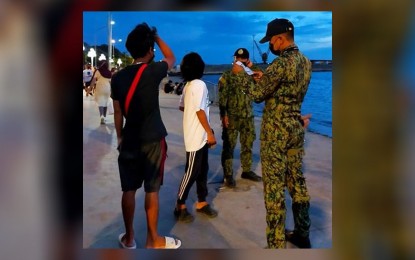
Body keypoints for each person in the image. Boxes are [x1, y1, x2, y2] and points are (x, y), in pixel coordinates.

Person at [239, 18, 312, 248]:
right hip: (295, 129)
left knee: (274, 190)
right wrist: (262, 76)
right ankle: (303, 232)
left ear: (280, 39)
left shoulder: (281, 64)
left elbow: (257, 95)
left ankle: (276, 245)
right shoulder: (306, 62)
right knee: (297, 182)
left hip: (276, 134)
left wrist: (243, 76)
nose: (270, 45)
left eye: (271, 40)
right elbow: (284, 88)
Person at [110, 22, 181, 249]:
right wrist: (156, 36)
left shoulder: (118, 78)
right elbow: (171, 57)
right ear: (150, 49)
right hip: (153, 139)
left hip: (130, 140)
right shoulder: (154, 70)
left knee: (128, 189)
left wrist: (120, 137)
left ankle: (130, 238)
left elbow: (118, 112)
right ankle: (153, 240)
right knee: (152, 189)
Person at [174, 52, 218, 223]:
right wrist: (209, 132)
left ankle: (201, 201)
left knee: (202, 170)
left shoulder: (188, 85)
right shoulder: (199, 84)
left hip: (198, 134)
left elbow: (183, 107)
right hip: (197, 136)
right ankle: (180, 205)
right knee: (191, 172)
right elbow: (200, 111)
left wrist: (196, 122)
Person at [218, 48, 263, 188]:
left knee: (248, 144)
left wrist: (251, 66)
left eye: (243, 60)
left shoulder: (250, 75)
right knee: (229, 146)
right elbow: (222, 97)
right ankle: (228, 174)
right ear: (234, 59)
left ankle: (247, 170)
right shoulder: (227, 75)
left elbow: (263, 79)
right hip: (232, 116)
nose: (240, 62)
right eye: (238, 59)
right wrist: (223, 115)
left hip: (247, 116)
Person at [90, 60, 112, 124]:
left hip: (100, 88)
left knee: (100, 103)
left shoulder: (98, 71)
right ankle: (104, 117)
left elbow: (93, 80)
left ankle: (101, 116)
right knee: (105, 103)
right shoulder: (109, 72)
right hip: (107, 88)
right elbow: (111, 82)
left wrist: (90, 88)